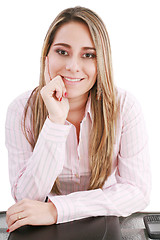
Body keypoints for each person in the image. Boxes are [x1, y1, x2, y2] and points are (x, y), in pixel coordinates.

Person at [5, 6, 151, 233]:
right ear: (47, 56)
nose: (72, 66)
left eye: (88, 55)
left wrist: (57, 210)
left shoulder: (125, 107)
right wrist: (55, 121)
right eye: (62, 52)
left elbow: (137, 192)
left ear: (101, 61)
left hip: (102, 222)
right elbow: (27, 197)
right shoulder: (21, 111)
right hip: (43, 229)